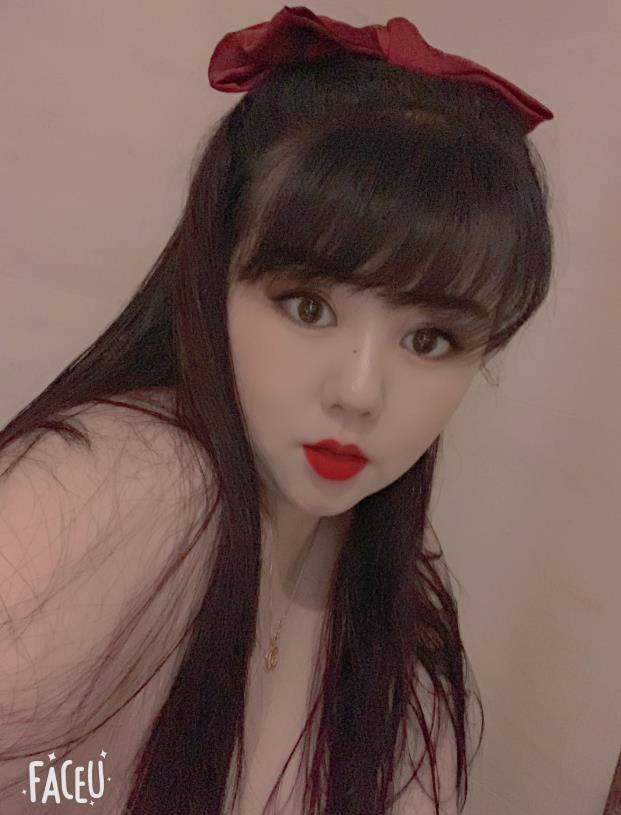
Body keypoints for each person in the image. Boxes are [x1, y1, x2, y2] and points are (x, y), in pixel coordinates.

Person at [0, 6, 554, 814]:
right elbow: (44, 781)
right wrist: (84, 787)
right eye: (308, 306)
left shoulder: (400, 615)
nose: (358, 390)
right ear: (214, 272)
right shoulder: (123, 486)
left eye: (429, 338)